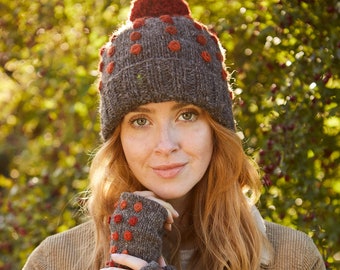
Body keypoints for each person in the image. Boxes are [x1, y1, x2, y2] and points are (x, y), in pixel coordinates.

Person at [23, 0, 326, 269]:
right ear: (118, 139)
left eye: (187, 115)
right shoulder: (54, 260)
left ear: (216, 128)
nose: (165, 145)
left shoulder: (294, 257)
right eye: (140, 121)